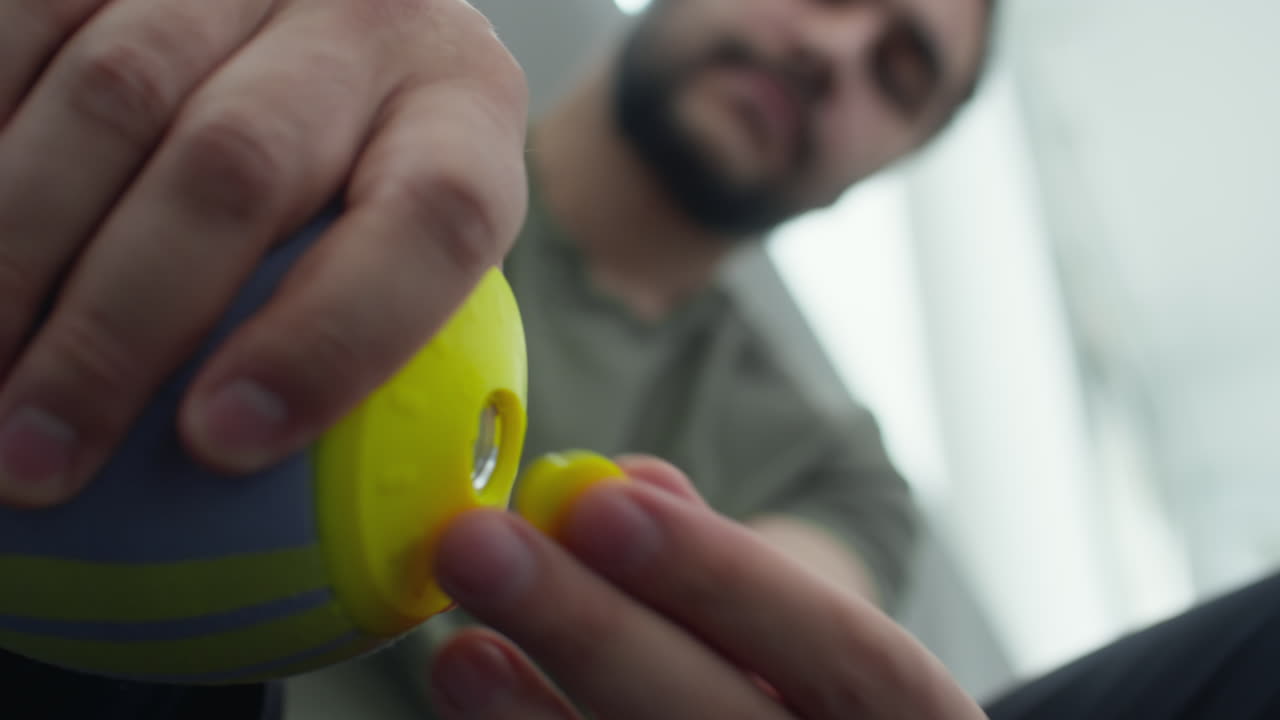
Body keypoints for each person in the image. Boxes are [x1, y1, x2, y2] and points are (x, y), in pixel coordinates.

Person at [4, 2, 1279, 720]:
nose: (832, 53)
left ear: (877, 172)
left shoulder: (839, 470)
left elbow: (742, 629)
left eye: (897, 72)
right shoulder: (363, 82)